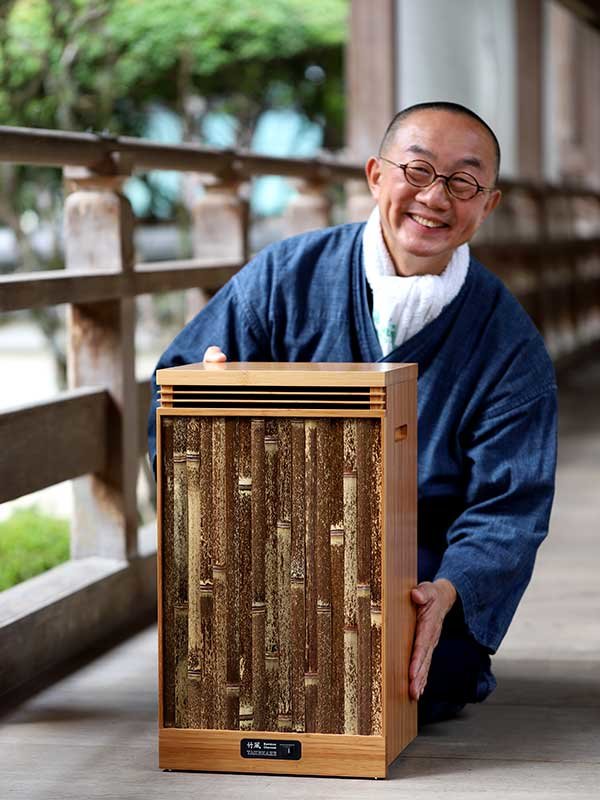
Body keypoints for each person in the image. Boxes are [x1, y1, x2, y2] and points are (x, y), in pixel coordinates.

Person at [148, 101, 557, 725]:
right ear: (374, 175)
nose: (435, 197)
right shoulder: (285, 277)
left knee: (422, 668)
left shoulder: (509, 344)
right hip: (275, 549)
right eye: (417, 171)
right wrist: (211, 406)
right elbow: (172, 393)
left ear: (488, 204)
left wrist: (449, 591)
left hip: (414, 565)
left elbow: (510, 504)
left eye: (463, 182)